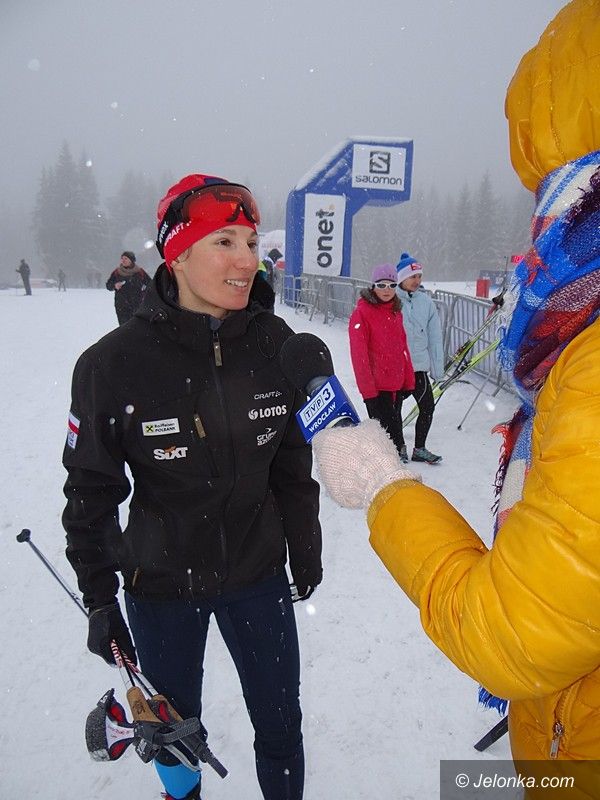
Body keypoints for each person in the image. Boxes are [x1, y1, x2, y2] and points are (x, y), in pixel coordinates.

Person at [312, 2, 600, 797]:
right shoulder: (379, 310)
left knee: (414, 423)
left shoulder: (588, 354)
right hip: (563, 736)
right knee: (401, 417)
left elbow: (516, 631)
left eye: (554, 195)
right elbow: (374, 347)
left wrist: (383, 486)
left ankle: (408, 448)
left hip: (575, 754)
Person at [62, 173, 322, 800]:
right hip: (162, 585)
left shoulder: (275, 345)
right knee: (175, 732)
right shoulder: (112, 364)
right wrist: (99, 598)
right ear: (176, 254)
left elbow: (292, 463)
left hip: (258, 574)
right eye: (223, 242)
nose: (246, 261)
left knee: (281, 724)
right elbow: (90, 491)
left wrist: (304, 543)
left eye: (251, 243)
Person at [348, 263, 415, 461]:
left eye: (392, 285)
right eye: (381, 285)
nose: (387, 290)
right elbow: (359, 355)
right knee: (386, 436)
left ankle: (394, 461)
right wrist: (368, 391)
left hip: (396, 383)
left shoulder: (395, 311)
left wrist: (408, 380)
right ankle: (385, 466)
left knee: (394, 433)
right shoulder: (362, 313)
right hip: (377, 387)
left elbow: (403, 348)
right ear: (373, 286)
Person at [395, 252, 444, 464]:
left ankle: (420, 448)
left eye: (419, 276)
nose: (417, 281)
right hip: (397, 369)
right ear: (401, 278)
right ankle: (398, 447)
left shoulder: (426, 302)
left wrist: (438, 369)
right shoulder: (391, 300)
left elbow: (435, 337)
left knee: (427, 407)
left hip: (418, 368)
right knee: (394, 410)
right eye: (412, 277)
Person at [105, 251, 151, 325]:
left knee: (136, 326)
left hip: (137, 304)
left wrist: (144, 289)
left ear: (131, 260)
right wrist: (115, 285)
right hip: (121, 305)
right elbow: (108, 285)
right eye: (122, 258)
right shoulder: (117, 272)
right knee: (124, 326)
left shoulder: (140, 272)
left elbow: (150, 284)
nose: (123, 260)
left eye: (126, 258)